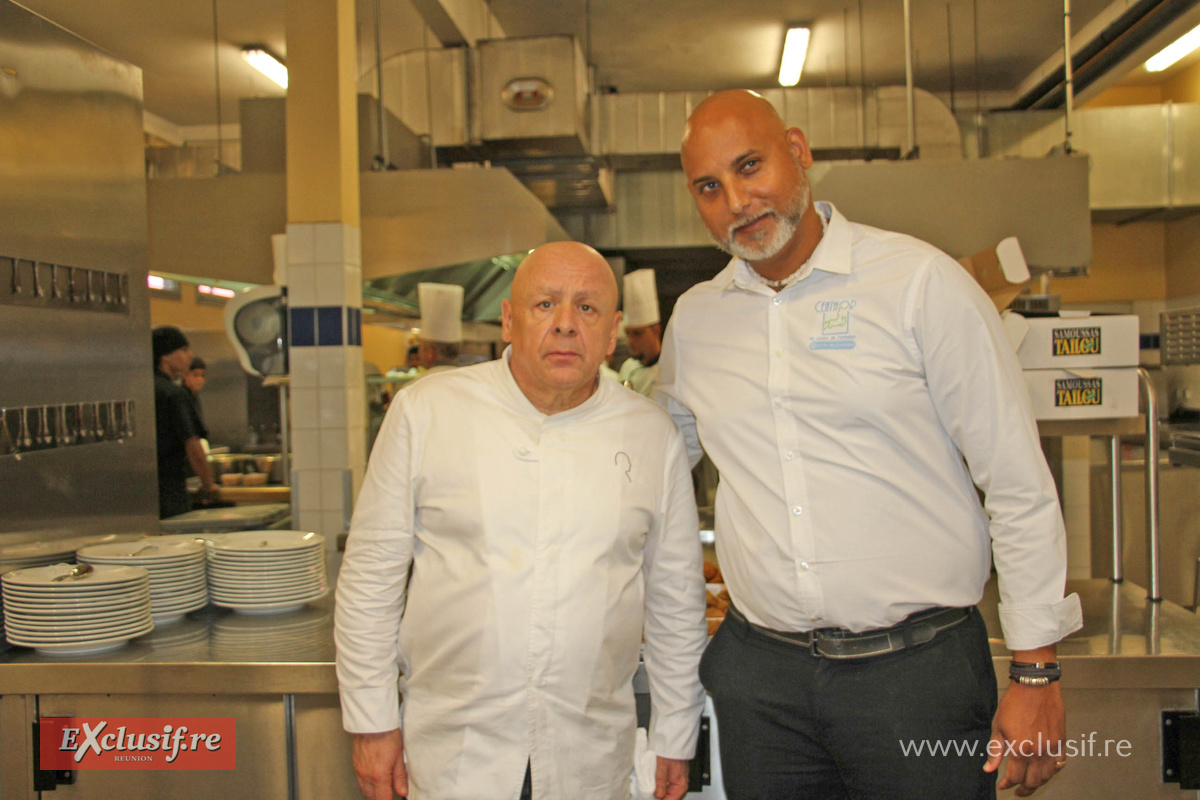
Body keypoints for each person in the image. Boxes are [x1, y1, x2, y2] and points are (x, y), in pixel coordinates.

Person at [658, 89, 1083, 800]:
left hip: (916, 676)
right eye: (709, 186)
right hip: (763, 683)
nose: (736, 199)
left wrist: (1035, 668)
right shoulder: (697, 322)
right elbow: (655, 461)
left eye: (750, 166)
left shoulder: (919, 284)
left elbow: (1015, 478)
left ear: (798, 152)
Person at [335, 241, 707, 800]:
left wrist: (676, 734)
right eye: (544, 305)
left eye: (586, 308)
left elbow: (676, 601)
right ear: (509, 320)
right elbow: (370, 579)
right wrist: (371, 721)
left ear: (612, 332)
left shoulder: (652, 435)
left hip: (590, 755)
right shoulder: (427, 412)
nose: (564, 325)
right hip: (452, 755)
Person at [152, 326, 216, 518]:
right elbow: (192, 445)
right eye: (184, 350)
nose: (190, 356)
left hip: (146, 491)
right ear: (166, 356)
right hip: (170, 489)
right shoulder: (174, 394)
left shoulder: (144, 388)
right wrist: (208, 484)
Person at [617, 269, 663, 397]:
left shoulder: (668, 369)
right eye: (628, 334)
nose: (631, 341)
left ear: (656, 331)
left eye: (638, 334)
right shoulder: (627, 368)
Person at [181, 355, 210, 444]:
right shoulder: (181, 398)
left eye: (203, 375)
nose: (200, 379)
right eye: (195, 375)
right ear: (185, 375)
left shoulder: (194, 397)